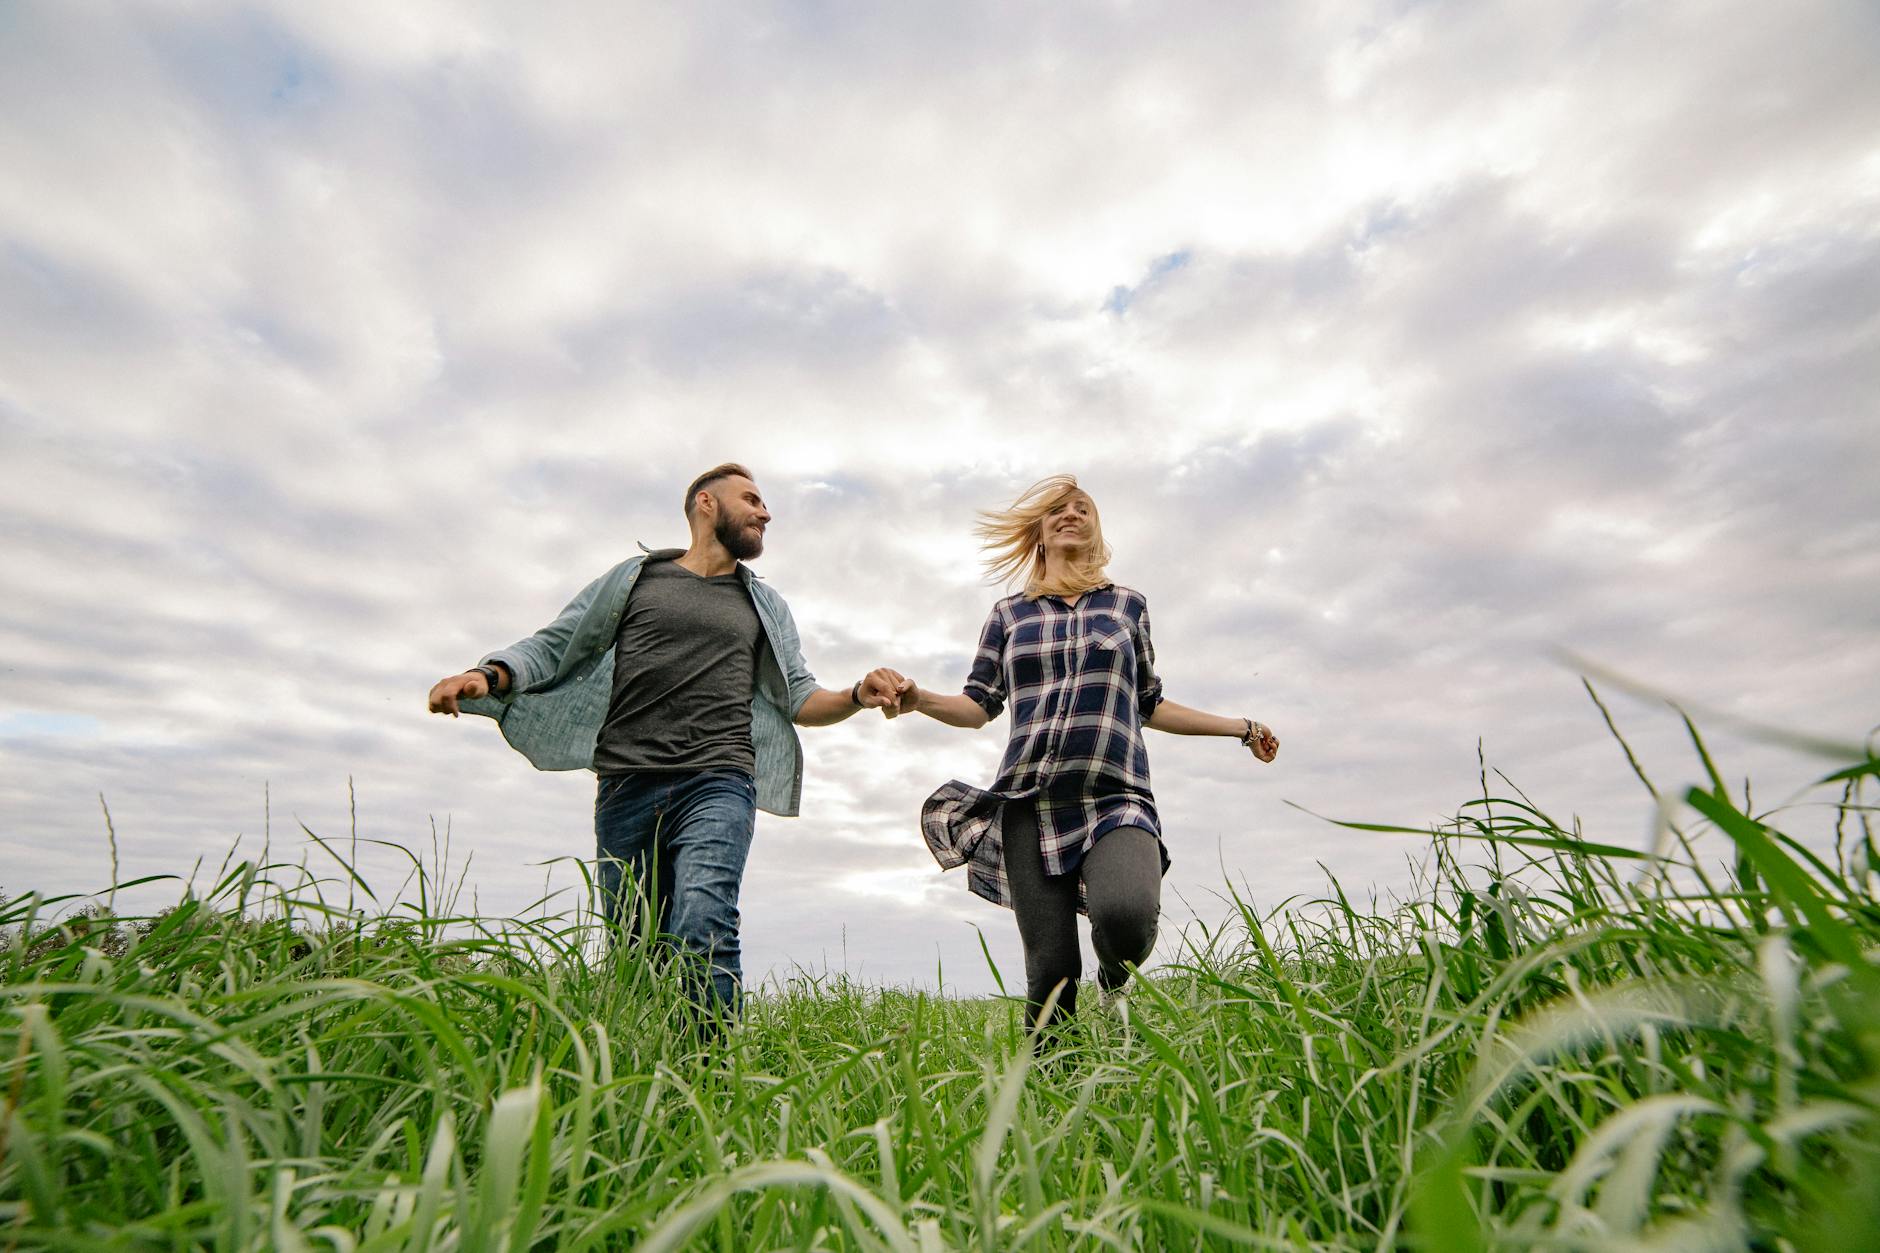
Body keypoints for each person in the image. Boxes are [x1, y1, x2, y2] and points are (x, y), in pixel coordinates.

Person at [427, 462, 904, 1019]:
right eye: (750, 499)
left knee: (704, 921)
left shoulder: (763, 606)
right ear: (706, 504)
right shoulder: (634, 581)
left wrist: (855, 693)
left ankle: (710, 1079)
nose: (765, 511)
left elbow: (798, 697)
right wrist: (486, 676)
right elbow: (555, 646)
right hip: (626, 785)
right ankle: (645, 1073)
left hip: (719, 780)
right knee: (636, 949)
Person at [888, 474, 1279, 1042]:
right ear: (1040, 532)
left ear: (1095, 529)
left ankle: (1114, 981)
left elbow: (1151, 703)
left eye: (1083, 508)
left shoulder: (1127, 606)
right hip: (1030, 801)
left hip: (1116, 795)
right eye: (1057, 511)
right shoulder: (1009, 616)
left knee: (1125, 917)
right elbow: (977, 706)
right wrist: (917, 698)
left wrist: (1241, 728)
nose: (1071, 514)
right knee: (1049, 976)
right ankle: (1052, 1099)